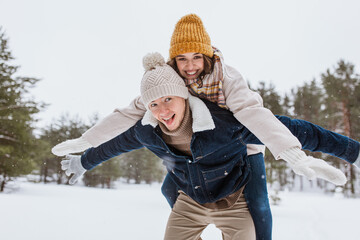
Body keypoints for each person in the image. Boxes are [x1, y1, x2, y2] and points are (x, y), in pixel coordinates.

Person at [52, 14, 360, 239]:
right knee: (169, 187)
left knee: (259, 207)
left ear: (208, 56)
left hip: (240, 139)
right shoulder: (167, 84)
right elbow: (127, 120)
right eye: (181, 59)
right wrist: (85, 146)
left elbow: (256, 115)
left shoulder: (228, 79)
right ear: (173, 61)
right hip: (193, 155)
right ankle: (198, 219)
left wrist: (295, 154)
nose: (189, 66)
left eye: (196, 57)